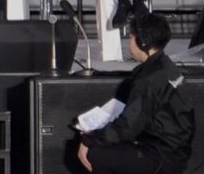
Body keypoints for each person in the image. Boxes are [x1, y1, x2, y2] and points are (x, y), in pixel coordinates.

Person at [78, 13, 195, 174]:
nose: (129, 42)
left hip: (162, 156)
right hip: (174, 150)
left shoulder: (149, 79)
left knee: (96, 154)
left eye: (131, 36)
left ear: (143, 41)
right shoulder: (166, 66)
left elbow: (127, 127)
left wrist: (89, 140)